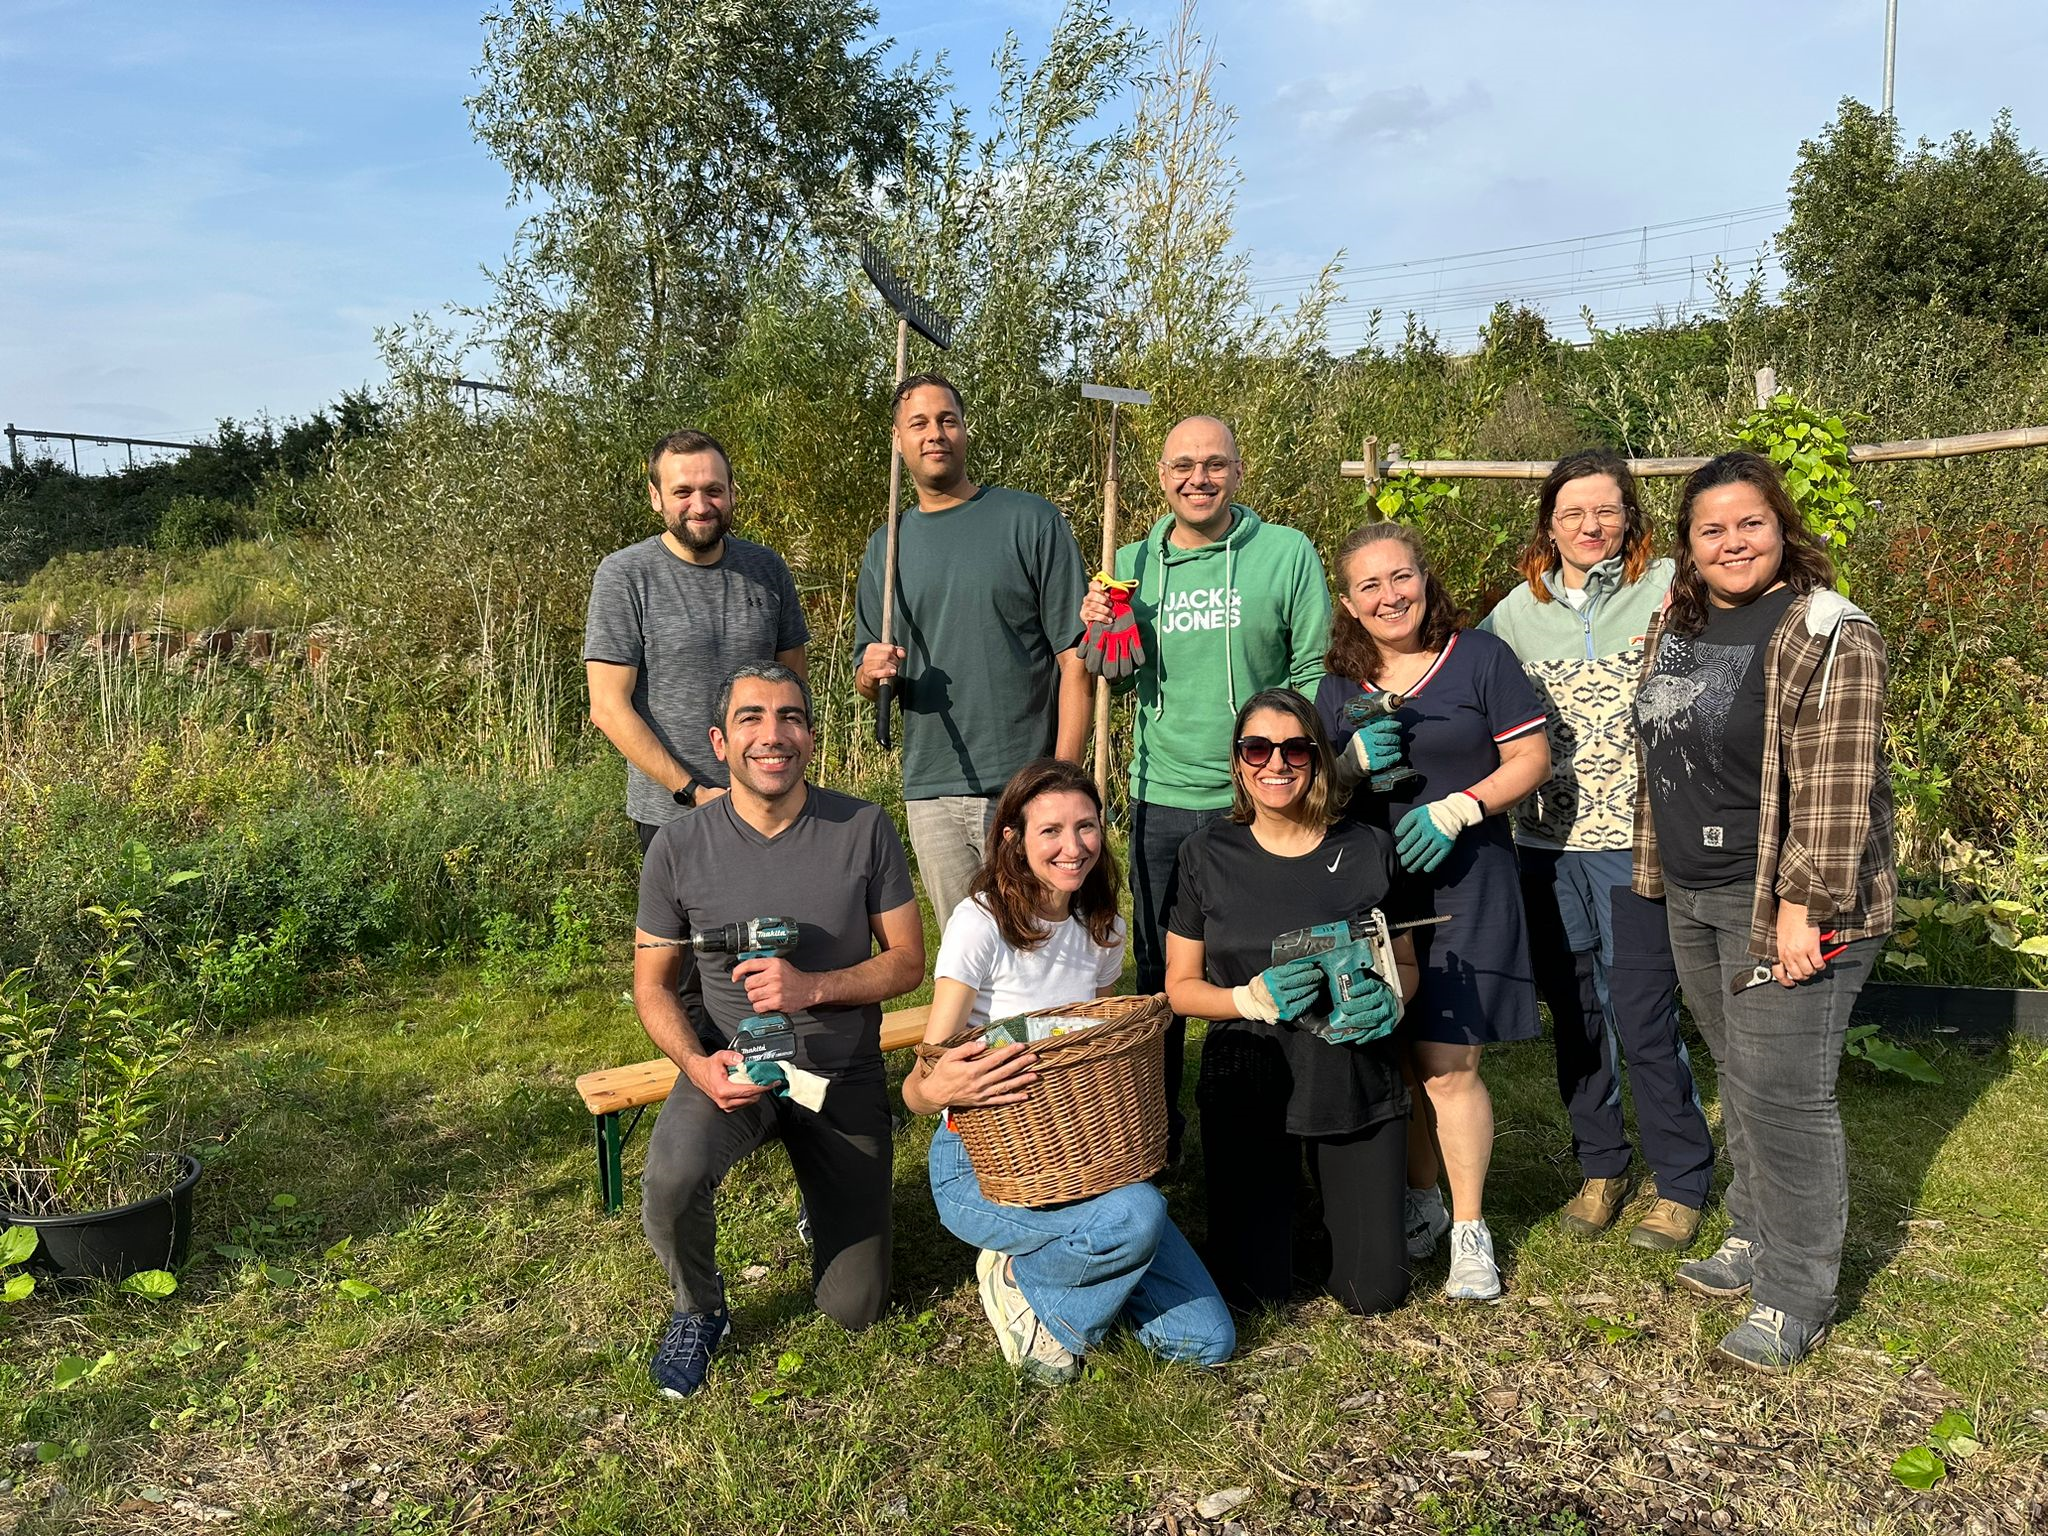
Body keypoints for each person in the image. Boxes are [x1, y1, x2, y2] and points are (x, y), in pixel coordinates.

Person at [1632, 451, 1894, 1372]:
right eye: (1712, 529)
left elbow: (1837, 786)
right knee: (1740, 1073)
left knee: (1785, 1096)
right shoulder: (1684, 617)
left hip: (1785, 900)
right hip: (1698, 892)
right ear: (1689, 546)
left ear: (1783, 527)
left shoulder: (1829, 632)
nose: (1732, 541)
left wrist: (1801, 908)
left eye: (1750, 523)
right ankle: (1753, 1231)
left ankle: (1797, 1292)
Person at [633, 663, 925, 1398]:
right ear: (720, 741)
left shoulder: (863, 827)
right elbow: (652, 987)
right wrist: (699, 1066)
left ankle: (820, 1202)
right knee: (670, 1179)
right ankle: (699, 1310)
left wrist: (814, 987)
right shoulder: (678, 846)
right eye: (752, 719)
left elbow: (908, 963)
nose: (773, 735)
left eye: (790, 717)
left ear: (811, 735)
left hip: (842, 1075)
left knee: (855, 1309)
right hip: (736, 1071)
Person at [903, 759, 1235, 1379]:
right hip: (983, 1166)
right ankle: (1023, 1281)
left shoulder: (1101, 927)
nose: (1072, 846)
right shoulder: (981, 924)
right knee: (1138, 1214)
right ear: (1013, 837)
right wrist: (935, 1087)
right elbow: (922, 1081)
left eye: (1086, 827)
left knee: (1205, 1342)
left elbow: (1097, 1051)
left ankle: (1056, 1270)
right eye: (1050, 830)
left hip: (1081, 1153)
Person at [1479, 450, 1716, 1251]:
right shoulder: (1513, 616)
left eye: (1607, 511)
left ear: (1631, 517)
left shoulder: (1671, 589)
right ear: (1549, 522)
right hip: (1544, 849)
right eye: (1574, 512)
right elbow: (1462, 691)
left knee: (1643, 1013)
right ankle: (1601, 1165)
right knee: (1576, 1014)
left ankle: (1682, 1178)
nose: (1591, 527)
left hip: (1635, 846)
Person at [1079, 416, 1332, 1159]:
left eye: (1215, 464)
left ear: (1238, 471)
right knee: (1161, 975)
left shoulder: (1284, 554)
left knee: (1263, 955)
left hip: (1261, 792)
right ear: (1161, 476)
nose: (1199, 478)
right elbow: (1117, 679)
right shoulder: (1127, 564)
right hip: (1161, 791)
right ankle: (1157, 1133)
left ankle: (1277, 1127)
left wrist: (1295, 762)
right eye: (1183, 465)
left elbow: (1312, 668)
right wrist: (1101, 631)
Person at [1315, 523, 1549, 1303]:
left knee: (1449, 1067)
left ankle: (1472, 1231)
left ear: (1425, 577)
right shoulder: (1340, 683)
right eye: (1370, 586)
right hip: (1375, 890)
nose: (1391, 596)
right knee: (1402, 1059)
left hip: (1465, 882)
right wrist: (1349, 766)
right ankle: (1422, 1202)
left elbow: (1532, 759)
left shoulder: (1479, 659)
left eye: (1401, 577)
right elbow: (1317, 793)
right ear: (1348, 603)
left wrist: (1460, 807)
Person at [1164, 689, 1421, 1315]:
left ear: (1318, 758)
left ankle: (1325, 1202)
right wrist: (1245, 999)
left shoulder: (1368, 847)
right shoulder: (1205, 854)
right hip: (1250, 1075)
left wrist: (1392, 997)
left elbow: (1408, 962)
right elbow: (1180, 987)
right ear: (1238, 760)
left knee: (1375, 1293)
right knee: (1252, 1295)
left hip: (1353, 1075)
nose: (1274, 765)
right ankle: (1290, 1208)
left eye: (1294, 749)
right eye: (1257, 748)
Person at [854, 374, 1092, 924]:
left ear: (965, 431)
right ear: (898, 440)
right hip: (930, 787)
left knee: (1041, 948)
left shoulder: (1029, 521)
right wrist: (871, 672)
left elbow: (1074, 660)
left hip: (1023, 784)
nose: (934, 433)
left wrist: (1061, 781)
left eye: (947, 420)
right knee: (969, 956)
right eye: (918, 423)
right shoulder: (885, 547)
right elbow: (868, 678)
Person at [586, 428, 809, 854]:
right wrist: (692, 790)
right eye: (683, 492)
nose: (700, 505)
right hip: (673, 816)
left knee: (782, 922)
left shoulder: (767, 569)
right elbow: (608, 708)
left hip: (770, 805)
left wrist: (784, 778)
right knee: (682, 925)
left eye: (713, 490)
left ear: (732, 492)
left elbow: (793, 684)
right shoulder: (625, 576)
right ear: (656, 497)